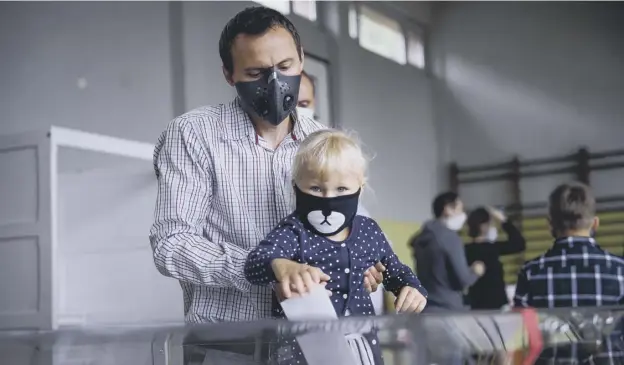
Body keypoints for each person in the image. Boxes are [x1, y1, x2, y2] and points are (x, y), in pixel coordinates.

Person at [149, 6, 384, 362]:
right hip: (228, 345)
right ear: (229, 74)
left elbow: (350, 230)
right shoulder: (194, 135)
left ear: (302, 58)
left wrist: (366, 265)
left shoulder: (324, 140)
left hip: (314, 345)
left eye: (286, 67)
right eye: (256, 72)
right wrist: (263, 265)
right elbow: (171, 244)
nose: (274, 84)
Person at [245, 129, 428, 365]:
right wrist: (282, 265)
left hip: (362, 351)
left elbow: (396, 271)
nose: (327, 199)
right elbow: (254, 265)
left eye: (341, 189)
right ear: (295, 187)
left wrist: (412, 288)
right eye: (315, 189)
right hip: (303, 354)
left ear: (360, 189)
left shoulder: (369, 231)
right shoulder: (294, 231)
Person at [514, 182, 624, 364]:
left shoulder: (531, 272)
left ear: (550, 224)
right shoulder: (620, 270)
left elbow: (523, 338)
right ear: (595, 223)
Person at [410, 192, 485, 312]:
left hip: (425, 308)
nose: (463, 214)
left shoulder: (421, 238)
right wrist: (476, 271)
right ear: (448, 209)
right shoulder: (449, 237)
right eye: (460, 209)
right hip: (448, 310)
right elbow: (463, 280)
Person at [464, 206, 526, 310]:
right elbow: (519, 244)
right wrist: (504, 221)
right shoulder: (492, 248)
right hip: (497, 304)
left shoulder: (465, 250)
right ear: (483, 226)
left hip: (475, 305)